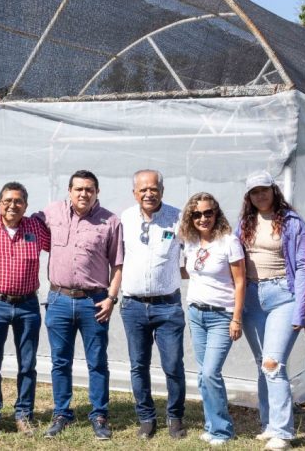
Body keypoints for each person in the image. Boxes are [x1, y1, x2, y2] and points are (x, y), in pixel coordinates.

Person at [37, 170, 124, 440]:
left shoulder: (110, 221)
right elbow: (21, 223)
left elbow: (118, 264)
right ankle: (61, 412)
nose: (83, 193)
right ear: (69, 190)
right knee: (59, 361)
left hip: (94, 302)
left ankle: (99, 414)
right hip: (59, 299)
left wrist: (110, 298)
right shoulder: (51, 213)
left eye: (89, 189)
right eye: (78, 189)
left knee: (97, 361)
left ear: (97, 192)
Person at [236, 171, 305, 451]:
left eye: (265, 190)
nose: (260, 195)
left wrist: (301, 309)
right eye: (255, 192)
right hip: (253, 298)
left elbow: (303, 266)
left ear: (274, 190)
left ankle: (283, 431)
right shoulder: (244, 223)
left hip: (283, 296)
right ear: (249, 197)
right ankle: (269, 422)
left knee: (273, 363)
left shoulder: (293, 222)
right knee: (261, 363)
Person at [0, 182, 50, 440]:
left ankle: (23, 414)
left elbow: (59, 243)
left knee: (27, 363)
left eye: (18, 201)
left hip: (28, 305)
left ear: (26, 206)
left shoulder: (36, 227)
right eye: (7, 200)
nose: (12, 205)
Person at [119, 169, 187, 439]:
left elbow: (194, 250)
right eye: (143, 189)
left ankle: (175, 417)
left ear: (162, 189)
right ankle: (146, 418)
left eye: (154, 188)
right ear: (135, 192)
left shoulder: (177, 218)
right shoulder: (124, 219)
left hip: (167, 306)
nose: (149, 193)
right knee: (139, 365)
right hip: (133, 306)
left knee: (173, 364)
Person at [179, 192, 245, 447]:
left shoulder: (229, 241)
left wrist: (236, 318)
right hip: (196, 313)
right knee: (202, 374)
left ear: (216, 213)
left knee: (210, 372)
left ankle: (222, 430)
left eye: (208, 213)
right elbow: (189, 271)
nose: (203, 218)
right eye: (196, 214)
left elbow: (240, 282)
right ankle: (211, 425)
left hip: (222, 315)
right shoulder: (191, 242)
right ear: (190, 217)